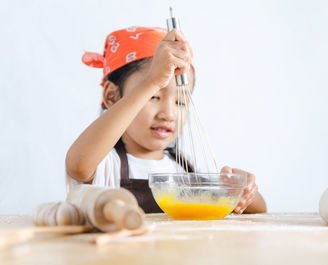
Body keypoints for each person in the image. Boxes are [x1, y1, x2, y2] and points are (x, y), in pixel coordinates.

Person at [66, 26, 266, 214]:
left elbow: (259, 210)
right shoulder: (105, 165)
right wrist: (153, 80)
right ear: (111, 96)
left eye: (180, 101)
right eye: (153, 96)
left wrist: (243, 192)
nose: (168, 114)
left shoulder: (186, 169)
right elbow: (78, 164)